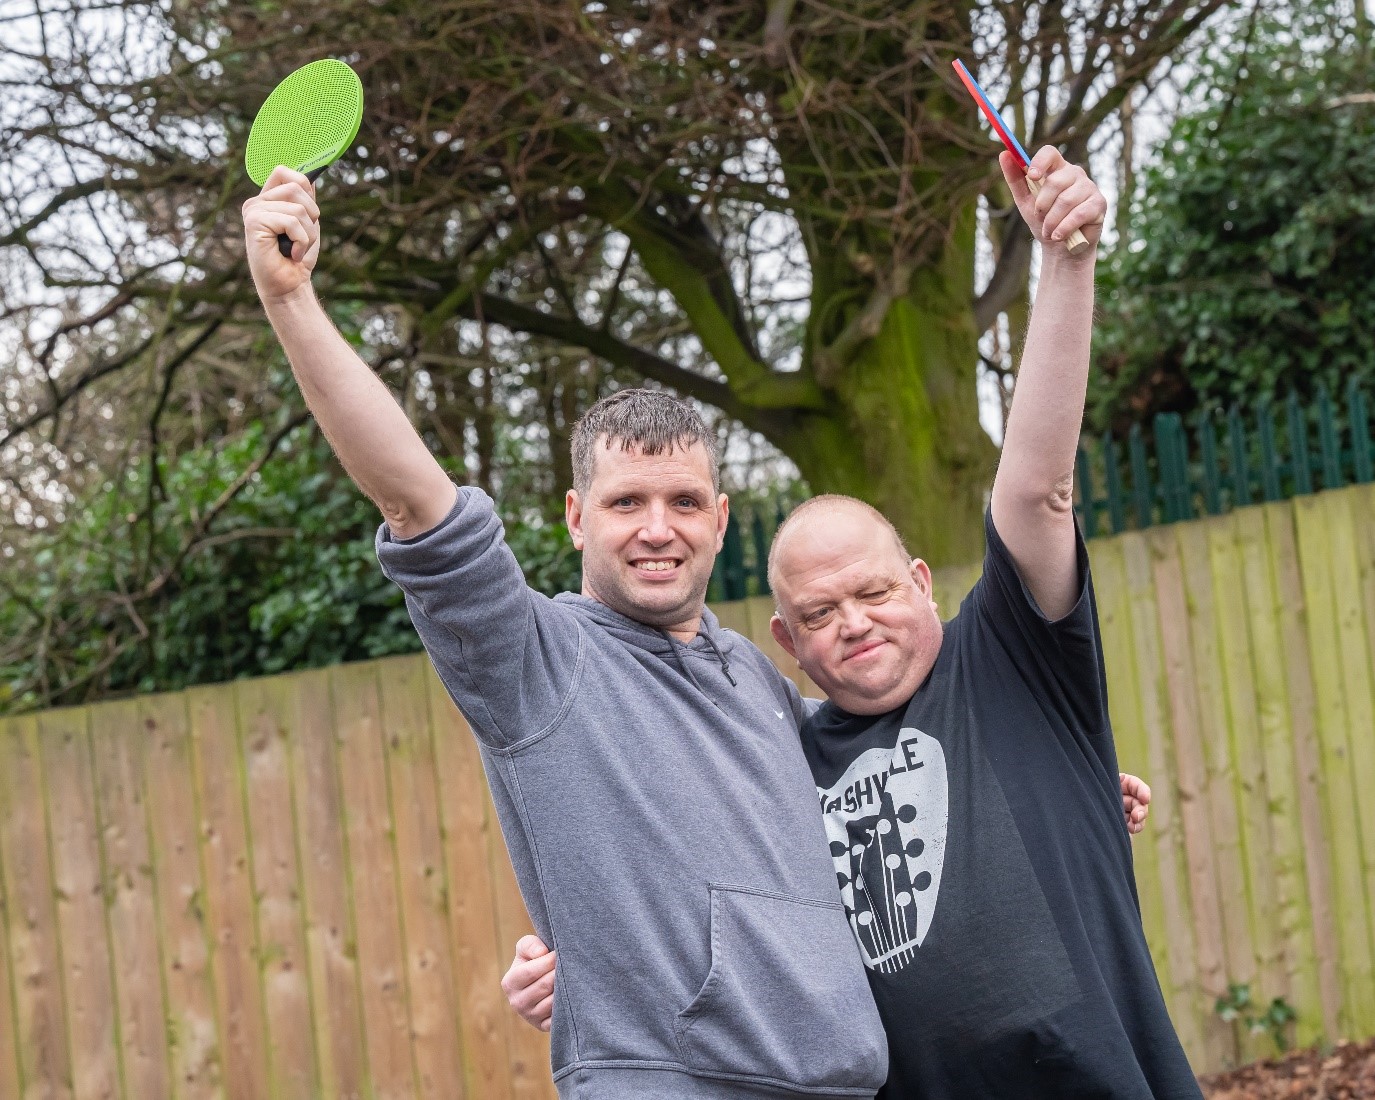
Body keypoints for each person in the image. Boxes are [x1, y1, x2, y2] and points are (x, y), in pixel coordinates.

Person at [501, 147, 1198, 1098]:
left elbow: (1037, 488)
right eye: (819, 614)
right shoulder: (787, 757)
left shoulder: (1011, 663)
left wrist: (1065, 263)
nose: (856, 625)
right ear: (786, 644)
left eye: (873, 593)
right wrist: (577, 962)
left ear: (920, 581)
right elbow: (686, 884)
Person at [241, 168, 889, 1098]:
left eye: (683, 502)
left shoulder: (758, 679)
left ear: (720, 518)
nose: (658, 527)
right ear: (578, 518)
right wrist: (293, 300)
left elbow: (877, 784)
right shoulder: (534, 660)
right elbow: (417, 500)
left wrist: (1041, 779)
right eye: (627, 502)